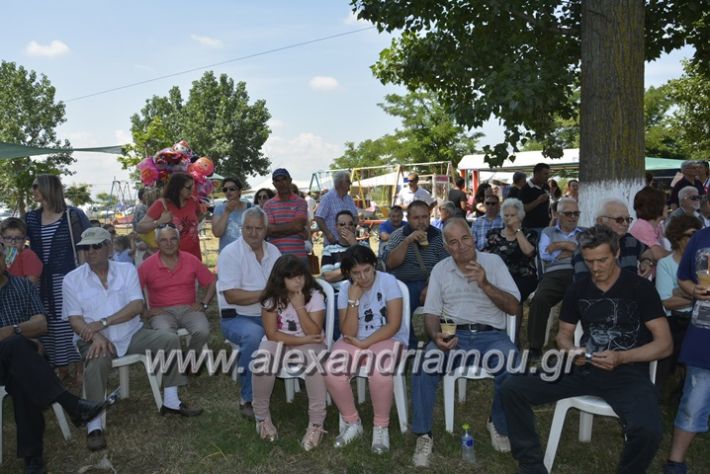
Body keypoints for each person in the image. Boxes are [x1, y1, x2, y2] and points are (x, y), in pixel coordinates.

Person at [501, 225, 672, 474]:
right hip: (583, 368)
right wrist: (573, 352)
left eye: (602, 260)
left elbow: (665, 344)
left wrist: (623, 357)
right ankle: (531, 465)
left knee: (648, 430)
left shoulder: (640, 288)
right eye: (589, 261)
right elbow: (564, 335)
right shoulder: (578, 289)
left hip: (628, 372)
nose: (596, 268)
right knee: (512, 389)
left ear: (616, 253)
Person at [63, 227, 202, 452]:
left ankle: (171, 401)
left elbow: (137, 306)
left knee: (168, 339)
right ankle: (94, 424)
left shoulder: (126, 270)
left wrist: (104, 323)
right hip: (93, 338)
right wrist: (96, 334)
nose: (90, 252)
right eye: (85, 247)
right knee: (96, 360)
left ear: (109, 247)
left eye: (96, 246)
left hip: (130, 333)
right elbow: (75, 320)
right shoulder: (72, 279)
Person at [410, 218, 520, 467]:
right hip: (454, 336)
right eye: (453, 242)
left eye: (465, 239)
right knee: (423, 364)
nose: (461, 246)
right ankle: (423, 434)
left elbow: (513, 307)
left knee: (513, 363)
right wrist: (435, 336)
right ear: (447, 247)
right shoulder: (440, 270)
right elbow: (431, 314)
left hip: (491, 335)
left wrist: (484, 283)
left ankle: (498, 423)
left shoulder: (493, 263)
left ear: (474, 238)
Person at [0, 246, 117, 473]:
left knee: (21, 373)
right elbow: (27, 331)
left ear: (5, 259)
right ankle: (72, 405)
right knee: (18, 349)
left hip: (23, 363)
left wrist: (13, 332)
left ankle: (33, 458)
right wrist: (21, 338)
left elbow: (41, 324)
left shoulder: (22, 285)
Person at [324, 245, 406, 454]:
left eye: (367, 270)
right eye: (356, 273)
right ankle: (353, 423)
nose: (363, 277)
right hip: (353, 339)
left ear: (374, 266)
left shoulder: (388, 282)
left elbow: (393, 324)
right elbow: (348, 330)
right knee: (332, 373)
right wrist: (353, 300)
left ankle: (381, 426)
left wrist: (365, 343)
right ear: (348, 274)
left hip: (388, 337)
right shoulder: (345, 289)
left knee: (379, 372)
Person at [252, 255, 328, 451]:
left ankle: (316, 424)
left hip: (310, 344)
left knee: (314, 363)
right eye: (292, 277)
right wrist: (303, 340)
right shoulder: (271, 299)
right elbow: (272, 334)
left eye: (301, 276)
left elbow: (314, 332)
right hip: (281, 342)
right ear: (280, 279)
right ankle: (261, 417)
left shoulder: (314, 296)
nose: (298, 281)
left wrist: (300, 306)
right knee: (262, 362)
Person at [217, 207, 281, 417]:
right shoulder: (230, 253)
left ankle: (302, 380)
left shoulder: (274, 252)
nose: (253, 233)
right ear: (241, 228)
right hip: (236, 316)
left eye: (258, 228)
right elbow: (232, 296)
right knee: (254, 336)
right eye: (248, 228)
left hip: (270, 313)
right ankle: (249, 398)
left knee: (303, 327)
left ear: (266, 229)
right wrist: (267, 293)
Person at [25, 174, 90, 374]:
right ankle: (59, 365)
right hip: (40, 280)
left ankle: (80, 364)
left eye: (36, 186)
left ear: (47, 188)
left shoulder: (73, 215)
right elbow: (16, 241)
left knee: (70, 321)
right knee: (48, 323)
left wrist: (85, 276)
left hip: (67, 277)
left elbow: (84, 247)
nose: (33, 190)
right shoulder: (30, 217)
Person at [666, 217, 710, 473]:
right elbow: (683, 277)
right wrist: (693, 290)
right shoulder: (700, 238)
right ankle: (675, 462)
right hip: (704, 335)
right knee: (693, 401)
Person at [139, 224, 215, 359]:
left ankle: (191, 359)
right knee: (166, 334)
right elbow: (132, 291)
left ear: (178, 241)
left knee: (203, 330)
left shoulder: (191, 260)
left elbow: (211, 282)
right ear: (157, 243)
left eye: (173, 239)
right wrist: (145, 311)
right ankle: (175, 366)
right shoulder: (147, 265)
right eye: (163, 240)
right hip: (162, 312)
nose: (169, 243)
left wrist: (204, 303)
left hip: (189, 309)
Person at [383, 200, 449, 346]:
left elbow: (446, 266)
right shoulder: (398, 235)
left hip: (433, 282)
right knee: (405, 298)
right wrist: (407, 242)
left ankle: (440, 339)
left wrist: (432, 285)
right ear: (408, 218)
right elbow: (390, 263)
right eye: (416, 218)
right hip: (404, 283)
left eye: (425, 217)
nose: (421, 222)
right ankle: (409, 344)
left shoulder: (438, 236)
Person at [527, 197, 584, 356]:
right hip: (554, 274)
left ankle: (573, 344)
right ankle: (535, 346)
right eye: (568, 213)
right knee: (539, 299)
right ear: (558, 215)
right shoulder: (548, 232)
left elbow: (588, 252)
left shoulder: (585, 232)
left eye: (576, 213)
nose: (573, 217)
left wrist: (561, 246)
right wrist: (574, 250)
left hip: (580, 272)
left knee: (579, 299)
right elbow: (545, 255)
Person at [655, 215, 701, 392]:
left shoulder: (704, 262)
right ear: (677, 237)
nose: (694, 239)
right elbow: (667, 301)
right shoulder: (666, 264)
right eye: (690, 235)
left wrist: (682, 291)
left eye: (697, 235)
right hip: (676, 320)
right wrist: (697, 294)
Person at [483, 198, 537, 342]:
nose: (509, 218)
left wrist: (518, 231)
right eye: (506, 215)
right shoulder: (493, 234)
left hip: (522, 276)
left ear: (520, 216)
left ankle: (513, 339)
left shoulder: (529, 233)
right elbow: (485, 255)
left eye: (512, 215)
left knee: (514, 296)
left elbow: (529, 252)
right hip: (498, 276)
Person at [572, 198, 651, 279]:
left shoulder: (629, 240)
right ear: (601, 221)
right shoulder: (587, 245)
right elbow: (582, 283)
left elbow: (649, 253)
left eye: (628, 219)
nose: (625, 224)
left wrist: (646, 261)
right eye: (619, 220)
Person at [136, 172, 203, 260]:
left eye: (193, 186)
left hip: (194, 255)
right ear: (177, 188)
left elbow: (200, 215)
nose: (192, 190)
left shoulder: (193, 201)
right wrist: (159, 222)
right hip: (173, 258)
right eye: (188, 187)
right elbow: (140, 227)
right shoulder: (162, 204)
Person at [263, 168, 309, 260]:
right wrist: (294, 229)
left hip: (298, 256)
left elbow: (298, 226)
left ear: (290, 180)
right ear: (274, 184)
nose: (281, 183)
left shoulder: (301, 202)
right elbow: (268, 230)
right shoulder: (268, 205)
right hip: (275, 257)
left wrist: (276, 230)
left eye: (284, 179)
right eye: (277, 180)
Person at [315, 171, 359, 247]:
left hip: (348, 243)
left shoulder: (349, 199)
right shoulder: (327, 198)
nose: (350, 184)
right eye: (348, 181)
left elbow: (355, 216)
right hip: (333, 243)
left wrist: (353, 228)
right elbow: (319, 218)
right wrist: (328, 234)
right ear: (341, 183)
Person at [630, 186, 671, 266]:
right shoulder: (642, 227)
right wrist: (680, 255)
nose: (667, 207)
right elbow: (658, 255)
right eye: (664, 204)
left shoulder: (658, 225)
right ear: (655, 206)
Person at [211, 177, 251, 251]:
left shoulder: (250, 208)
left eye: (232, 189)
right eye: (225, 189)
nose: (228, 192)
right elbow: (217, 233)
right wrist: (227, 212)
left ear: (239, 191)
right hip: (227, 254)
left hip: (247, 253)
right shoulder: (219, 208)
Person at [1, 217, 42, 284]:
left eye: (18, 238)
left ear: (24, 240)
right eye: (8, 238)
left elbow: (31, 284)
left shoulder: (28, 255)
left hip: (20, 293)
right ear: (1, 239)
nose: (13, 242)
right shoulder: (2, 256)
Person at [519, 163, 551, 230]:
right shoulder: (525, 189)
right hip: (531, 228)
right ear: (536, 174)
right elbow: (523, 209)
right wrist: (538, 201)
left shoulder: (546, 186)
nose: (548, 176)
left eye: (548, 174)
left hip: (545, 227)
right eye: (545, 174)